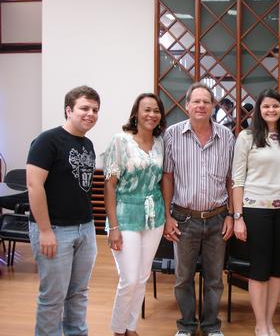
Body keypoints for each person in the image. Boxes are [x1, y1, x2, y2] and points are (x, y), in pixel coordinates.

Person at [26, 85, 101, 336]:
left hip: (85, 228)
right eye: (84, 108)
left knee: (78, 293)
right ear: (69, 110)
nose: (90, 113)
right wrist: (45, 231)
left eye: (95, 110)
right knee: (53, 298)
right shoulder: (48, 140)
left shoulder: (87, 144)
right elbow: (34, 185)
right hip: (55, 230)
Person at [162, 82, 235, 336]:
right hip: (184, 218)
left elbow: (230, 179)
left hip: (217, 218)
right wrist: (167, 216)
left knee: (215, 279)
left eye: (206, 101)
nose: (201, 106)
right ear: (187, 106)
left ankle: (212, 327)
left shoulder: (226, 136)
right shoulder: (172, 134)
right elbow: (168, 177)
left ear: (213, 106)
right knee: (183, 279)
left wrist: (232, 216)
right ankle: (186, 326)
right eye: (196, 101)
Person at [232, 89, 280, 336]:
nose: (271, 110)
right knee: (259, 268)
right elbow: (237, 179)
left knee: (278, 269)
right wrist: (238, 217)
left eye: (275, 106)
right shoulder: (247, 138)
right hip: (255, 209)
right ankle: (260, 324)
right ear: (258, 110)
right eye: (266, 106)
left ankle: (270, 322)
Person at [104, 93, 167, 336]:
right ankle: (119, 330)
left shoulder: (161, 141)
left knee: (142, 277)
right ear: (136, 113)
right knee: (128, 279)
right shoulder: (120, 141)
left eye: (156, 110)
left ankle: (131, 327)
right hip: (126, 214)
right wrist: (113, 226)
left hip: (154, 215)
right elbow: (109, 185)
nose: (152, 115)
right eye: (147, 110)